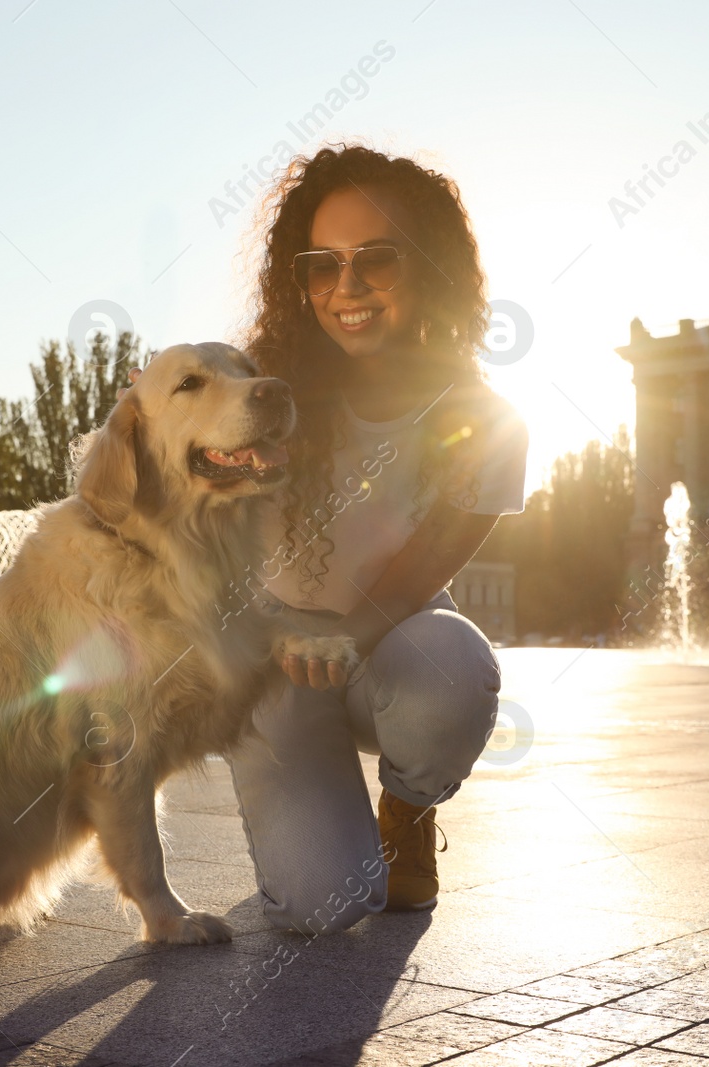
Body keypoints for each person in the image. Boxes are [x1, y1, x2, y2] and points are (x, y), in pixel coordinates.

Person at [225, 145, 529, 935]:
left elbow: (419, 570)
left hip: (389, 643)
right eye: (322, 265)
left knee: (453, 668)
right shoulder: (263, 390)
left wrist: (338, 635)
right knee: (322, 906)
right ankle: (313, 832)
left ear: (429, 264)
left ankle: (407, 807)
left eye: (377, 259)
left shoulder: (487, 422)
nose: (346, 287)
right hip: (274, 662)